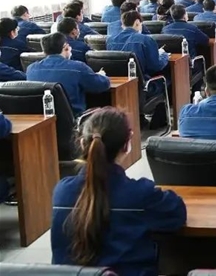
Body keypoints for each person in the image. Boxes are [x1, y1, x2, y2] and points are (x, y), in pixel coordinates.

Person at [51, 107, 186, 274]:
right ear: (127, 145)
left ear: (82, 143)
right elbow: (177, 213)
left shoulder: (61, 192)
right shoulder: (141, 194)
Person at [27, 33, 110, 116]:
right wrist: (102, 76)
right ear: (66, 47)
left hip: (44, 120)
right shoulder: (78, 67)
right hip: (75, 118)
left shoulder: (31, 69)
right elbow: (102, 85)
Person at [107, 11, 169, 80]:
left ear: (122, 25)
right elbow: (155, 67)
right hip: (143, 82)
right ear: (137, 22)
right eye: (141, 24)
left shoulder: (110, 40)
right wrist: (164, 55)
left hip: (119, 82)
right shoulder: (146, 40)